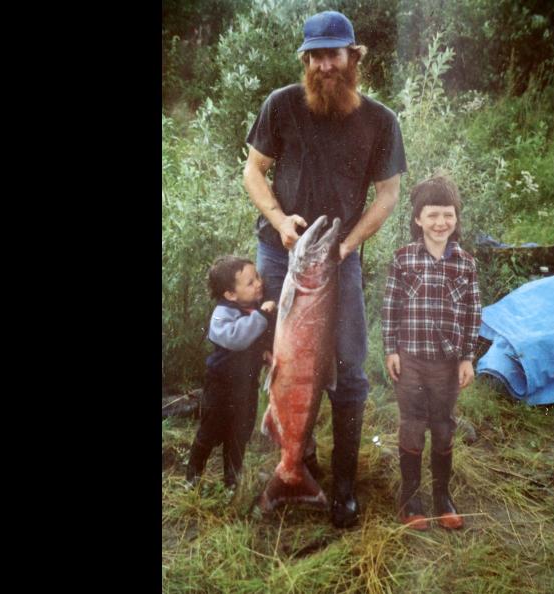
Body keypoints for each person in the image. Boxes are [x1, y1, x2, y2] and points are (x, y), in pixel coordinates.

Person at [242, 10, 407, 528]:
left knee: (350, 371)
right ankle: (297, 464)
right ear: (305, 60)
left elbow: (389, 195)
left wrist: (348, 247)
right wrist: (279, 221)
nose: (323, 65)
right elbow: (253, 170)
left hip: (338, 261)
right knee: (281, 363)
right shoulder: (282, 105)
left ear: (353, 57)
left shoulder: (380, 120)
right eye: (313, 56)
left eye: (332, 54)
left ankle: (341, 486)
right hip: (279, 252)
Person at [381, 175, 481, 530]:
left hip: (448, 364)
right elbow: (391, 307)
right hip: (410, 359)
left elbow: (472, 313)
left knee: (443, 426)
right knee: (411, 425)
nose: (441, 223)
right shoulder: (403, 259)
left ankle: (443, 496)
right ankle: (411, 498)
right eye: (433, 215)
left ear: (456, 219)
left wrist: (467, 357)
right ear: (418, 219)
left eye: (448, 215)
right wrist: (390, 349)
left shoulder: (466, 264)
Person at [185, 256, 276, 491]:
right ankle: (193, 475)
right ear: (230, 294)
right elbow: (237, 339)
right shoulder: (221, 314)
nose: (258, 283)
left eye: (256, 277)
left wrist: (265, 353)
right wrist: (262, 317)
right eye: (249, 282)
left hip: (246, 387)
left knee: (240, 433)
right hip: (221, 387)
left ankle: (232, 481)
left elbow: (254, 342)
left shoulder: (252, 308)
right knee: (209, 431)